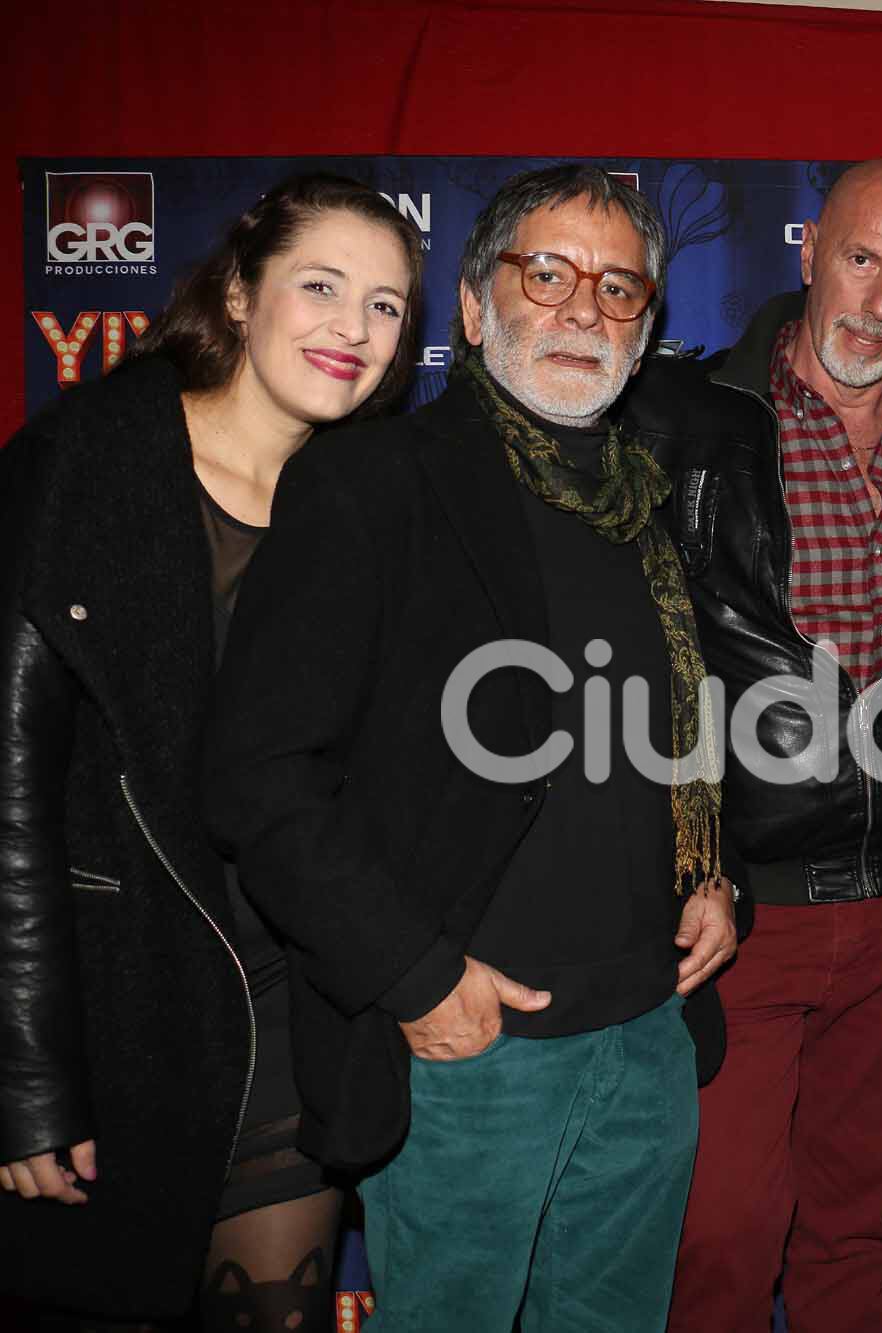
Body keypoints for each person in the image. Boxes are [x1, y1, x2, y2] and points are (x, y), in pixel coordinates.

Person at [203, 165, 738, 1332]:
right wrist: (412, 976)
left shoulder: (651, 502)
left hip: (649, 1041)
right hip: (467, 1051)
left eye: (616, 288)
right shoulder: (373, 481)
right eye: (545, 273)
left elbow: (661, 737)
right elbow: (259, 778)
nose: (581, 310)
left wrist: (710, 873)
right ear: (472, 300)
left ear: (647, 328)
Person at [616, 158, 882, 1331]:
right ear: (808, 251)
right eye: (861, 259)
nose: (879, 302)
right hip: (738, 908)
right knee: (720, 1238)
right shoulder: (676, 420)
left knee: (854, 1229)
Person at [0, 174, 421, 1331]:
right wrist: (28, 1071)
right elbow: (10, 791)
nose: (353, 328)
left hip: (290, 993)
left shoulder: (367, 502)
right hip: (113, 995)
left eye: (385, 306)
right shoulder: (87, 463)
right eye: (322, 287)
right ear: (239, 293)